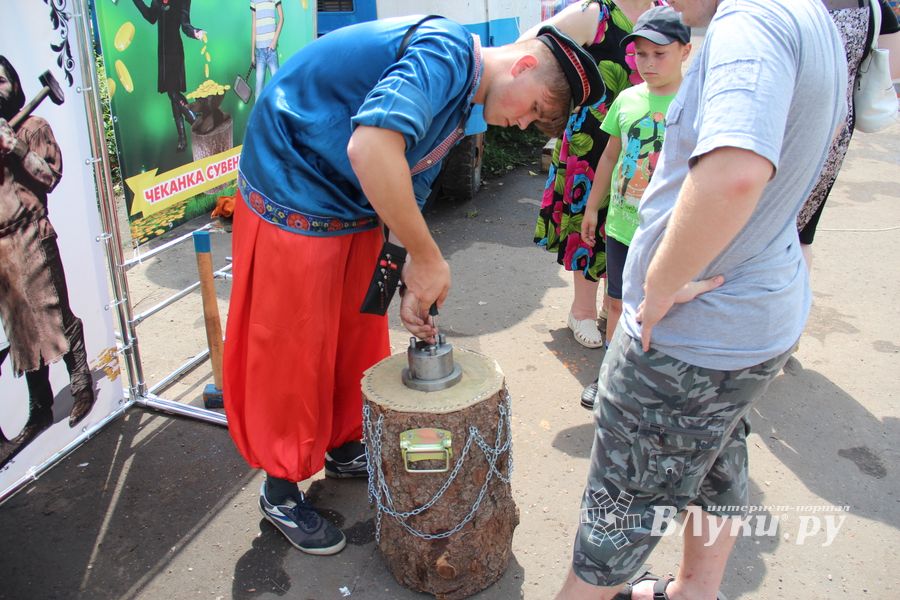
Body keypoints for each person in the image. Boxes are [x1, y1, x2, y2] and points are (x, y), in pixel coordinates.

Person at [224, 15, 604, 556]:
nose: (523, 125)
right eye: (535, 109)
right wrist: (427, 257)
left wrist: (406, 273)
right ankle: (279, 490)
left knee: (357, 329)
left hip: (348, 197)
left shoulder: (464, 105)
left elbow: (410, 187)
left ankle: (342, 444)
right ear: (523, 66)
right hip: (294, 180)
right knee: (295, 345)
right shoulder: (445, 51)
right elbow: (370, 150)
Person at [554, 0, 847, 596]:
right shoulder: (803, 13)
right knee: (717, 460)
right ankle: (694, 591)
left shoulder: (751, 24)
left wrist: (660, 285)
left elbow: (735, 173)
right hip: (750, 316)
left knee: (617, 515)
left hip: (693, 335)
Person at [527, 0, 665, 350]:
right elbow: (533, 45)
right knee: (588, 219)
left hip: (642, 140)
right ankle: (582, 310)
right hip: (592, 140)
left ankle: (610, 301)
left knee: (626, 221)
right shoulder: (594, 12)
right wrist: (554, 100)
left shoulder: (664, 9)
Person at [580, 6, 690, 381]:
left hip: (669, 232)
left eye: (660, 53)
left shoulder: (696, 104)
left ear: (685, 51)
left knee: (665, 307)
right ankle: (610, 376)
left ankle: (654, 380)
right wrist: (592, 208)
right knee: (616, 303)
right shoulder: (627, 99)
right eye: (641, 54)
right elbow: (610, 156)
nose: (649, 63)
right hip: (622, 227)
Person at [0, 56, 96, 455]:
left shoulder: (33, 127)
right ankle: (40, 408)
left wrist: (16, 146)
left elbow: (51, 177)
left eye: (1, 80)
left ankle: (82, 384)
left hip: (33, 235)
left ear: (14, 82)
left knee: (56, 314)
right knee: (21, 331)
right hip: (2, 249)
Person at [796, 0, 900, 270]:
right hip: (835, 129)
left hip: (781, 127)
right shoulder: (871, 4)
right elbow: (893, 64)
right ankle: (796, 297)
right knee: (800, 234)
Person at [131, 0, 206, 152]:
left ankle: (195, 120)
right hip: (163, 53)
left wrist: (195, 32)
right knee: (173, 94)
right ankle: (182, 138)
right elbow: (151, 17)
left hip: (175, 51)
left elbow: (185, 25)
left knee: (173, 93)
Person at [249, 0, 284, 93]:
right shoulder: (253, 1)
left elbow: (281, 18)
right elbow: (254, 26)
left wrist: (274, 41)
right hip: (259, 52)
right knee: (259, 90)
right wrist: (252, 54)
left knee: (278, 86)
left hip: (271, 50)